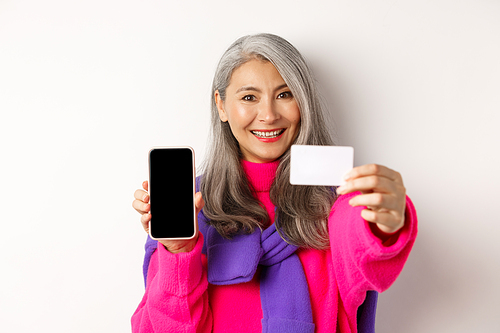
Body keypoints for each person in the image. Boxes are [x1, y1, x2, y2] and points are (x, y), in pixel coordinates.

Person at [131, 33, 417, 333]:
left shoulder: (339, 199)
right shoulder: (188, 207)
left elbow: (366, 250)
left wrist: (386, 221)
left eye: (284, 94)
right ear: (222, 105)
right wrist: (178, 253)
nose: (268, 115)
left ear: (303, 101)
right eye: (249, 97)